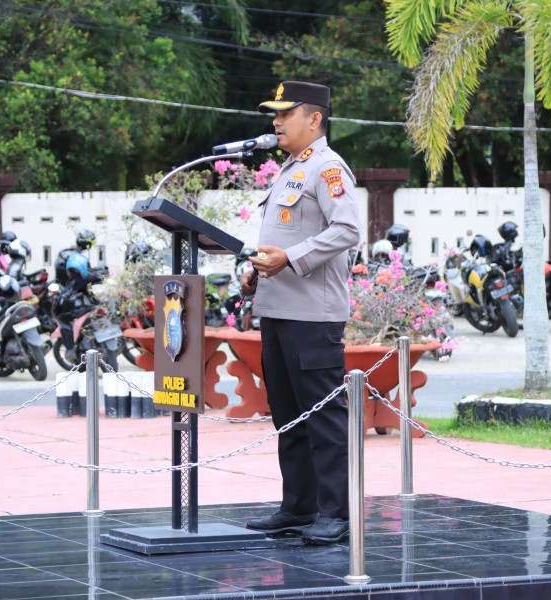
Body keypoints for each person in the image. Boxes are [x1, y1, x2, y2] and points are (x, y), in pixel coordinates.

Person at [239, 80, 361, 546]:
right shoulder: (291, 168)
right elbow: (284, 239)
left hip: (313, 315)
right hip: (278, 308)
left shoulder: (328, 168)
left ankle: (335, 513)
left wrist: (289, 259)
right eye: (274, 114)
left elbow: (347, 229)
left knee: (323, 418)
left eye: (284, 114)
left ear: (314, 119)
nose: (275, 121)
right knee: (288, 417)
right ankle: (298, 508)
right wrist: (258, 272)